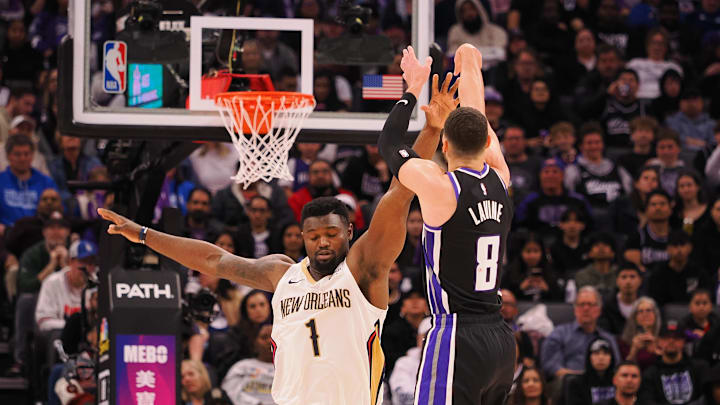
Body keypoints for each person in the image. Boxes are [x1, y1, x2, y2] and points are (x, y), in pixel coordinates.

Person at [97, 43, 450, 404]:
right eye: (313, 236)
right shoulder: (283, 274)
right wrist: (142, 233)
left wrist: (432, 126)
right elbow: (212, 260)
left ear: (349, 232)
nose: (322, 242)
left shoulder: (364, 269)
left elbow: (402, 189)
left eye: (331, 233)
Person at [377, 44, 515, 404]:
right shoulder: (501, 176)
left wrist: (412, 88)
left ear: (445, 145)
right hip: (500, 339)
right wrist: (469, 60)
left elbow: (389, 142)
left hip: (456, 335)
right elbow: (476, 109)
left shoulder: (440, 187)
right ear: (487, 141)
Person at [540, 286, 621, 383]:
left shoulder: (608, 339)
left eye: (590, 304)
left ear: (599, 310)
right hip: (568, 384)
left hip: (602, 385)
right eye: (581, 304)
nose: (586, 308)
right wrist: (582, 379)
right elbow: (551, 366)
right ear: (575, 309)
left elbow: (617, 368)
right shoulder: (559, 334)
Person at [640, 320, 710, 405]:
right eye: (666, 337)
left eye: (676, 337)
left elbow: (707, 397)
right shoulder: (650, 374)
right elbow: (647, 401)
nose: (671, 341)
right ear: (658, 341)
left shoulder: (700, 367)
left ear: (684, 341)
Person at [0, 134, 57, 228]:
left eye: (26, 154)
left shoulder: (46, 183)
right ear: (8, 156)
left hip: (38, 235)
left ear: (32, 155)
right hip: (6, 235)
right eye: (17, 154)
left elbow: (58, 212)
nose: (23, 158)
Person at [648, 230, 710, 307]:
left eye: (682, 245)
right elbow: (654, 301)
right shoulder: (658, 273)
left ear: (690, 247)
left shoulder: (699, 273)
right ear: (668, 249)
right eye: (675, 245)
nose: (679, 249)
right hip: (666, 315)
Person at [222, 323, 275, 405]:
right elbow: (229, 392)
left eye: (274, 337)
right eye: (264, 337)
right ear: (255, 343)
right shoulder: (242, 367)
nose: (269, 342)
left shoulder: (290, 369)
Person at [624, 190, 675, 271]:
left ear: (670, 209)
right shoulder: (637, 236)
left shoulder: (678, 236)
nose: (658, 208)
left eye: (662, 204)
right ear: (646, 210)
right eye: (653, 204)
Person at [389, 317, 432, 405]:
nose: (429, 341)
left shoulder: (452, 363)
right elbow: (402, 397)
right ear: (418, 338)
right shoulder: (404, 363)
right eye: (425, 336)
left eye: (433, 337)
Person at [564, 338, 617, 405]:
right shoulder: (577, 383)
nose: (601, 357)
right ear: (589, 357)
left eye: (605, 353)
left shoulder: (620, 381)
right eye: (596, 353)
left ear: (611, 357)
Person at [617, 297, 662, 371]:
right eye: (640, 311)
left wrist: (656, 352)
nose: (645, 314)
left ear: (655, 315)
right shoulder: (624, 342)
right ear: (634, 317)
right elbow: (622, 371)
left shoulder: (664, 337)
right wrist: (633, 352)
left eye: (648, 310)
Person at [599, 263, 643, 336]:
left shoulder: (648, 305)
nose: (628, 281)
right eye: (624, 277)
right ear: (617, 281)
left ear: (640, 281)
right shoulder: (606, 305)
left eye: (632, 277)